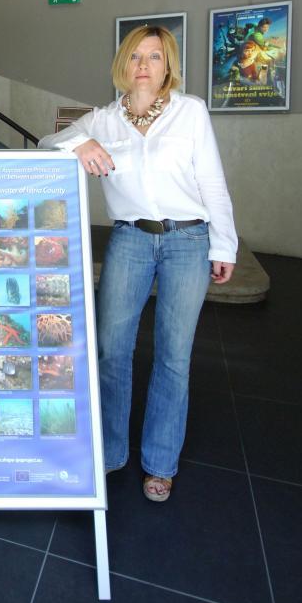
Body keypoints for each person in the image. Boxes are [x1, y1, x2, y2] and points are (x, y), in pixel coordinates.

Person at [39, 25, 236, 502]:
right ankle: (109, 453)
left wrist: (224, 245)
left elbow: (212, 182)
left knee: (173, 356)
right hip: (129, 239)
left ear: (168, 66)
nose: (144, 65)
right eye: (135, 56)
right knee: (112, 350)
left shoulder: (191, 112)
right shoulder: (102, 120)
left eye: (154, 56)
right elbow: (45, 143)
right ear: (122, 65)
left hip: (188, 239)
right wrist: (78, 145)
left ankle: (160, 463)